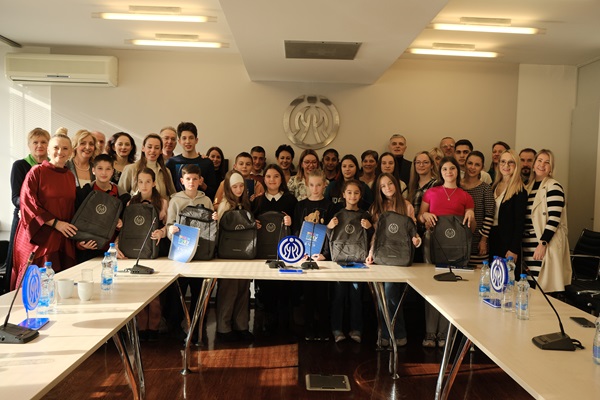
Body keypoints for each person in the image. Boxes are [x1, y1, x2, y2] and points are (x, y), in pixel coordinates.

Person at [418, 156, 475, 348]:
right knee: (432, 288)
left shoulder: (465, 196)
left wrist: (471, 214)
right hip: (432, 245)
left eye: (452, 168)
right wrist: (425, 215)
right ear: (440, 172)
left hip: (456, 248)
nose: (449, 172)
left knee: (451, 290)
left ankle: (444, 334)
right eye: (445, 169)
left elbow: (471, 228)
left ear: (458, 171)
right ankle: (429, 332)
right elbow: (420, 217)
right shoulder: (431, 192)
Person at [11, 134, 77, 290]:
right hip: (39, 235)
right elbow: (29, 204)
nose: (60, 151)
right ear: (48, 150)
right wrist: (56, 223)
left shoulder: (69, 176)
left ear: (70, 152)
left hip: (61, 235)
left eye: (65, 148)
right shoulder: (37, 172)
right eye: (56, 147)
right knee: (36, 286)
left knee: (60, 285)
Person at [366, 173, 421, 348]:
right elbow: (375, 235)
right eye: (383, 186)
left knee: (390, 293)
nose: (387, 188)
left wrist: (417, 241)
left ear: (396, 184)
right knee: (382, 297)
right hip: (381, 257)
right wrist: (371, 253)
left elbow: (413, 231)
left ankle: (396, 333)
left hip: (400, 258)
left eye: (390, 183)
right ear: (379, 190)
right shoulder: (376, 208)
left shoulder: (407, 206)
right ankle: (387, 334)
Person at [166, 164, 217, 341]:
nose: (192, 182)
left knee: (199, 294)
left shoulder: (206, 200)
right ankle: (176, 329)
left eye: (195, 179)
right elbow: (169, 224)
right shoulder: (175, 201)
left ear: (200, 180)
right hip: (182, 253)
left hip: (202, 254)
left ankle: (197, 330)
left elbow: (211, 227)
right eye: (188, 179)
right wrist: (170, 230)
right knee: (179, 294)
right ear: (182, 181)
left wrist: (215, 219)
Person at [251, 164, 297, 336]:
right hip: (263, 254)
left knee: (284, 289)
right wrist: (254, 224)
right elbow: (251, 224)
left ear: (281, 179)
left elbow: (298, 225)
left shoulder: (290, 200)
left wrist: (291, 222)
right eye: (268, 176)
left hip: (285, 253)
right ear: (264, 179)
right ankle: (265, 326)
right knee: (264, 290)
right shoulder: (257, 201)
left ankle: (284, 326)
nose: (272, 180)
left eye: (276, 176)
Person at [3, 128, 50, 293]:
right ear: (29, 145)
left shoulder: (53, 167)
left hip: (48, 221)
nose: (40, 145)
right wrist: (32, 207)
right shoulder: (20, 165)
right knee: (20, 262)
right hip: (24, 220)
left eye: (43, 142)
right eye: (35, 142)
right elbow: (15, 198)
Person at [124, 168, 168, 341]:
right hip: (136, 252)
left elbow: (169, 224)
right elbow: (127, 228)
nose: (144, 185)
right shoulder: (131, 203)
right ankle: (142, 330)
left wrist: (161, 232)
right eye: (140, 182)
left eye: (148, 181)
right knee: (140, 293)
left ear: (154, 183)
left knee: (155, 295)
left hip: (155, 252)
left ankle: (154, 330)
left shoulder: (162, 202)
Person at [328, 179, 373, 343]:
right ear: (343, 194)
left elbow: (372, 238)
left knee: (356, 296)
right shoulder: (337, 215)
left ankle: (356, 329)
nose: (352, 196)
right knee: (338, 296)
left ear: (360, 195)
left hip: (358, 261)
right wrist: (329, 227)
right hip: (339, 260)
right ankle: (336, 329)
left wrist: (369, 227)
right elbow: (329, 238)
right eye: (349, 192)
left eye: (356, 193)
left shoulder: (365, 215)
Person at [293, 169, 335, 341]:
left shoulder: (330, 206)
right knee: (308, 293)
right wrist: (300, 251)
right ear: (307, 185)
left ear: (324, 185)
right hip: (304, 256)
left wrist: (325, 254)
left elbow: (331, 234)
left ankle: (324, 329)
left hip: (322, 258)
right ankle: (308, 329)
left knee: (322, 294)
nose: (315, 189)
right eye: (312, 185)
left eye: (318, 185)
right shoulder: (300, 206)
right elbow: (297, 230)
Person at [522, 149, 572, 293]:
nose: (542, 165)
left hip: (543, 243)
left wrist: (543, 243)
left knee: (542, 289)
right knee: (529, 288)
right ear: (533, 164)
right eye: (539, 160)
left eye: (547, 162)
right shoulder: (528, 187)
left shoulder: (554, 186)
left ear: (551, 168)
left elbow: (554, 218)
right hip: (528, 244)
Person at [216, 170, 254, 342]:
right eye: (234, 187)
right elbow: (219, 230)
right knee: (228, 291)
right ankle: (223, 328)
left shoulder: (245, 204)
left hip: (244, 253)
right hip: (228, 254)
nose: (238, 190)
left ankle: (241, 326)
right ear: (228, 188)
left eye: (241, 186)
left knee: (243, 290)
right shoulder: (225, 205)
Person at [74, 154, 129, 263]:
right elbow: (76, 221)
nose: (104, 173)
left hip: (113, 250)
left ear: (113, 171)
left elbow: (126, 226)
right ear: (93, 170)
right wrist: (80, 244)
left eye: (108, 169)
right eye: (100, 168)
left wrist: (120, 224)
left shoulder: (123, 196)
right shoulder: (83, 193)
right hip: (89, 250)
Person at [489, 150, 527, 273]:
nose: (506, 166)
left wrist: (514, 249)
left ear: (516, 166)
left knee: (505, 278)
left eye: (511, 162)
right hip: (492, 237)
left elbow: (520, 223)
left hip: (508, 242)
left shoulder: (519, 190)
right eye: (503, 162)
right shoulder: (493, 186)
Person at [461, 151, 495, 267]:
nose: (472, 167)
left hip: (478, 242)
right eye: (470, 163)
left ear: (482, 167)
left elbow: (489, 216)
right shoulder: (457, 186)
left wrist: (483, 240)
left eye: (477, 165)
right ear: (465, 164)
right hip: (457, 241)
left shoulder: (486, 188)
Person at [165, 122, 217, 198]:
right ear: (179, 141)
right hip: (178, 204)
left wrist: (202, 185)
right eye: (184, 138)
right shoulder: (171, 162)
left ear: (196, 140)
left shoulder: (206, 163)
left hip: (201, 203)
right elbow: (166, 190)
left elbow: (213, 193)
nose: (188, 141)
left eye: (191, 138)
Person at [119, 133, 176, 198]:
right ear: (143, 148)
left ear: (161, 151)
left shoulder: (166, 171)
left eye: (157, 148)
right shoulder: (131, 169)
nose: (153, 150)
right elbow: (121, 195)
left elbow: (173, 195)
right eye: (149, 147)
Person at [408, 151, 437, 262]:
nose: (421, 165)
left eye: (425, 162)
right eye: (418, 162)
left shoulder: (436, 184)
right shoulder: (412, 185)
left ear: (432, 165)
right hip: (414, 233)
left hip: (429, 232)